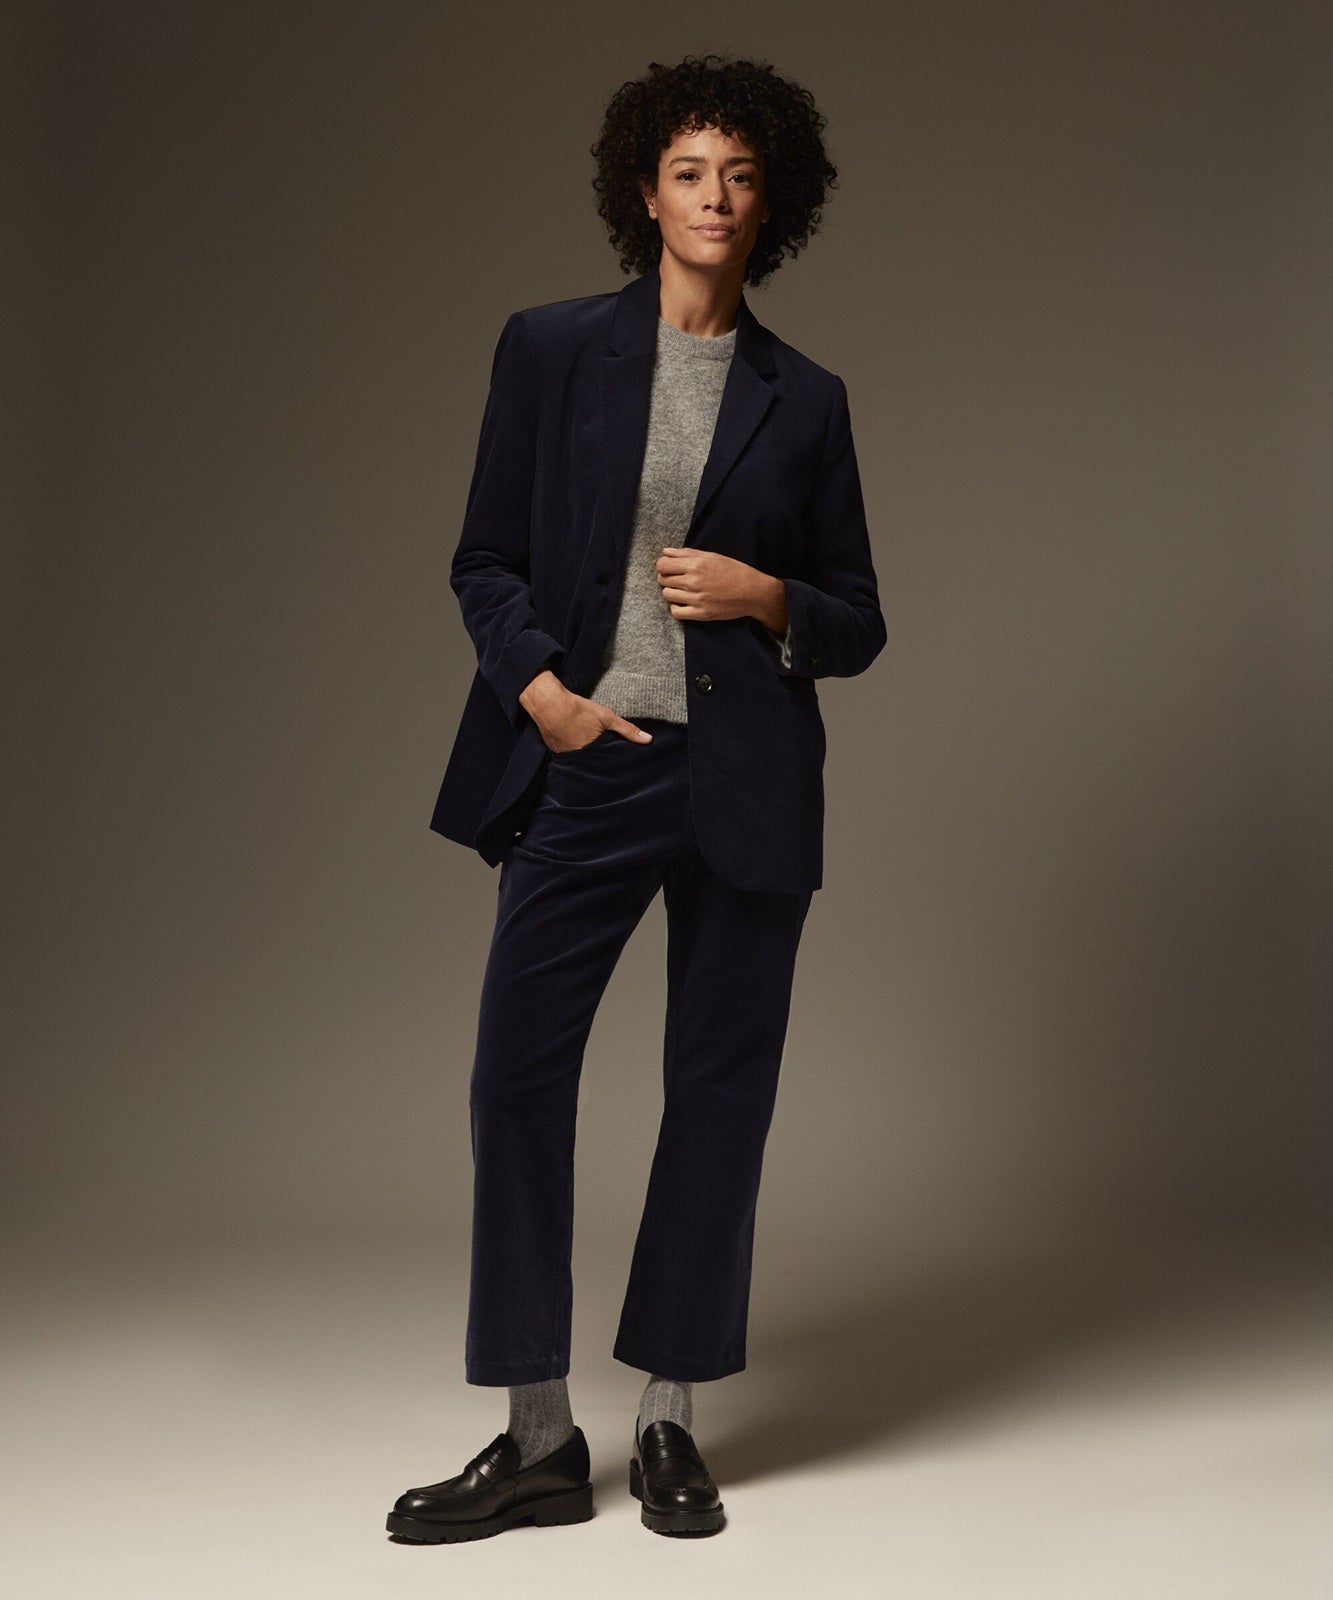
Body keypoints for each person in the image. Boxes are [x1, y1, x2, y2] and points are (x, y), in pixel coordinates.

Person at [387, 51, 886, 1544]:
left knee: (718, 1091)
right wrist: (542, 695)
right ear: (644, 195)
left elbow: (859, 620)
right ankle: (539, 1437)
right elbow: (484, 557)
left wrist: (765, 594)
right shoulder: (551, 351)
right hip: (587, 762)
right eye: (688, 172)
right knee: (515, 1079)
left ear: (772, 201)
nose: (714, 197)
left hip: (745, 782)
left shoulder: (807, 400)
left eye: (740, 175)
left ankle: (670, 1417)